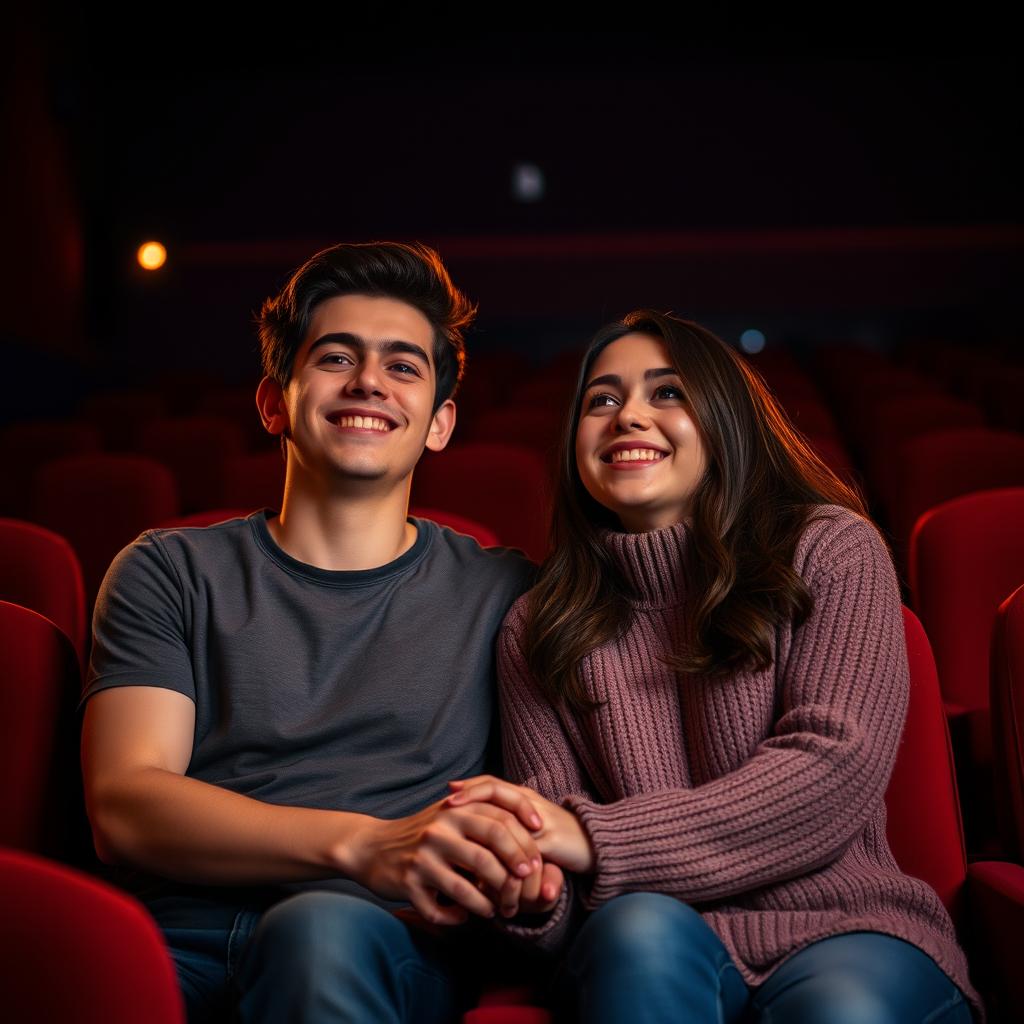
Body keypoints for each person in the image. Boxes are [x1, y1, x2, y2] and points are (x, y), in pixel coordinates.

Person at [445, 311, 984, 1022]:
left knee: (842, 1010)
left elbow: (831, 776)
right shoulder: (536, 626)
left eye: (668, 393)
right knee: (635, 933)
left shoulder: (831, 550)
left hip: (846, 926)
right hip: (644, 934)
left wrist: (593, 839)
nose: (628, 415)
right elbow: (555, 851)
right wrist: (532, 890)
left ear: (726, 421)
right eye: (600, 400)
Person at [79, 241, 558, 1024]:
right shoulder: (167, 569)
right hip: (181, 939)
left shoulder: (509, 594)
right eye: (336, 357)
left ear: (440, 423)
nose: (369, 380)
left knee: (318, 930)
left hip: (379, 945)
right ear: (275, 402)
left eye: (403, 366)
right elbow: (126, 806)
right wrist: (362, 845)